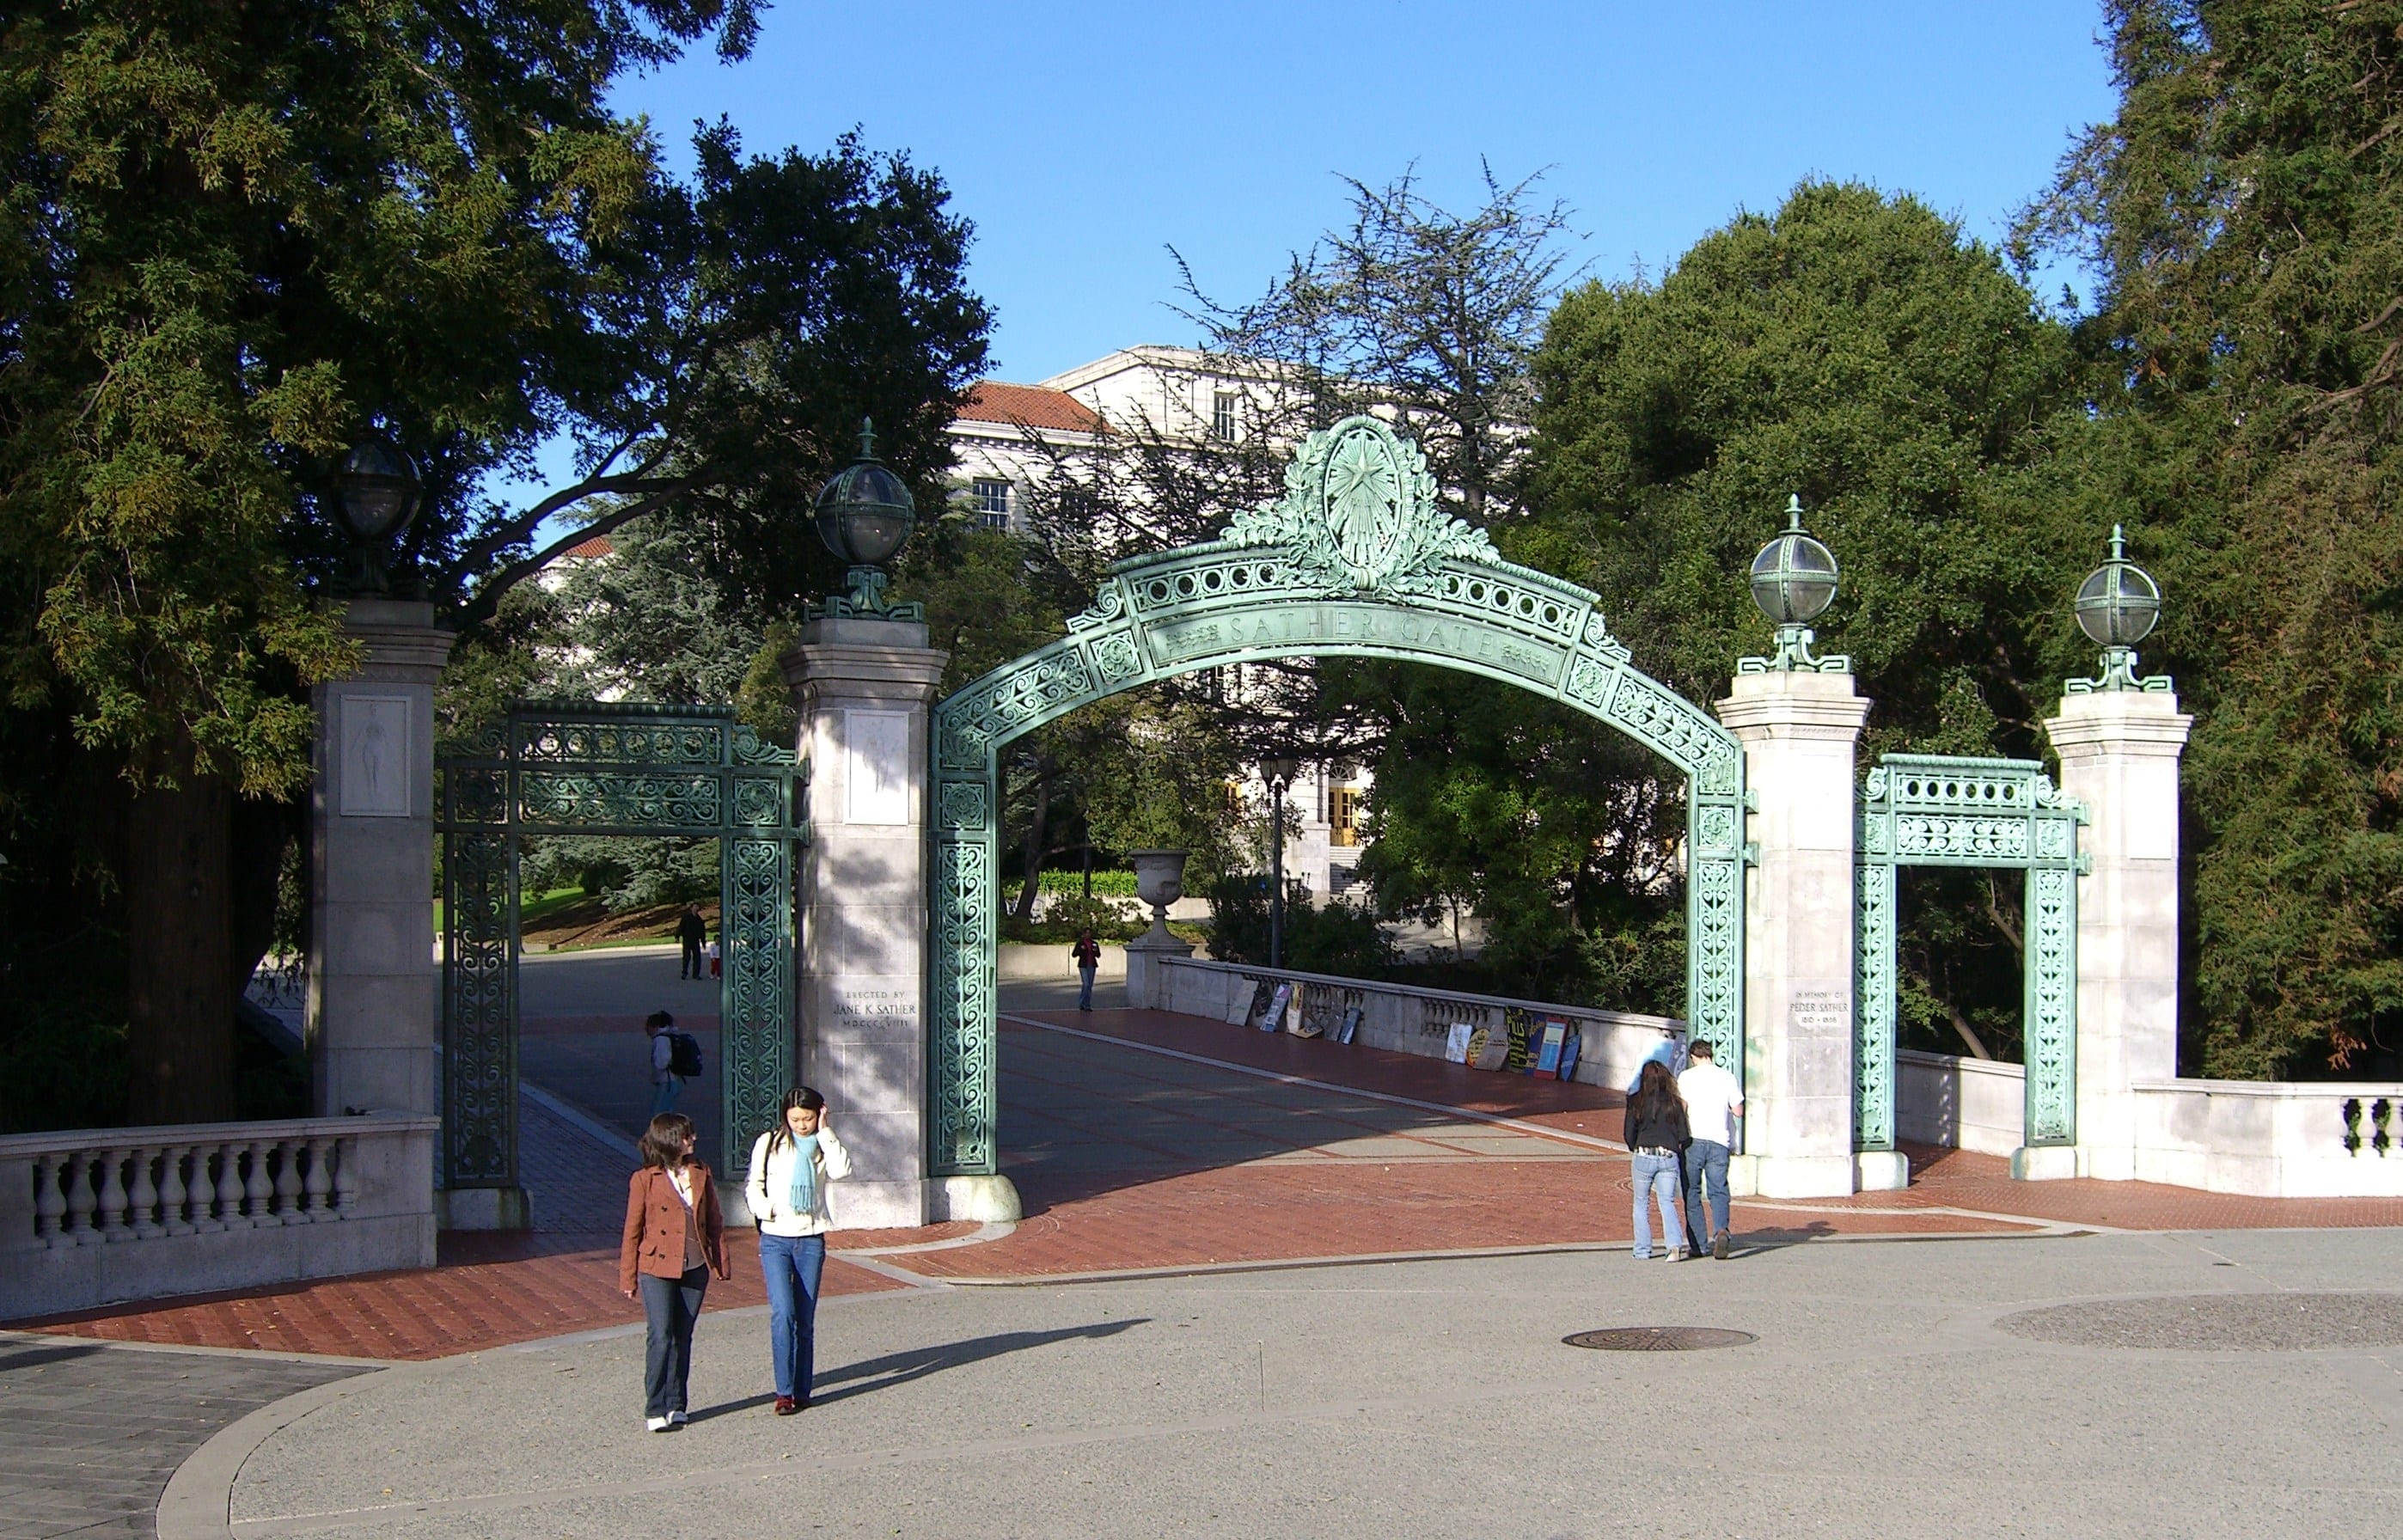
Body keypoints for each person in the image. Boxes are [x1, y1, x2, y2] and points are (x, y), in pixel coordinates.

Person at [744, 1086, 853, 1415]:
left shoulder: (822, 1143)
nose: (801, 1125)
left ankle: (803, 1389)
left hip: (810, 1237)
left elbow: (842, 1171)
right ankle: (784, 1391)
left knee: (804, 1317)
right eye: (795, 1119)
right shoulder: (770, 1142)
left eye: (807, 1118)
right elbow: (754, 1184)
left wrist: (826, 1130)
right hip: (776, 1236)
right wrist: (766, 1209)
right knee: (783, 1312)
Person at [618, 1111, 729, 1431]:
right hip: (657, 1266)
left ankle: (677, 1403)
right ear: (669, 1141)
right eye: (685, 1136)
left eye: (691, 1135)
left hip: (694, 1265)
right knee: (661, 1335)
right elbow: (632, 1230)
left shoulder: (700, 1172)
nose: (692, 1140)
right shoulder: (644, 1179)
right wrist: (628, 1276)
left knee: (683, 1335)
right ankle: (655, 1407)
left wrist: (720, 1261)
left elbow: (715, 1220)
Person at [1677, 1038, 1744, 1261]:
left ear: (1693, 1057)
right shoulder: (1727, 1077)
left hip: (1693, 1140)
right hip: (1719, 1141)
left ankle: (1697, 1243)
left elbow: (1682, 1107)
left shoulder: (1686, 1077)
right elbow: (1738, 1110)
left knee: (1692, 1191)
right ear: (1710, 1055)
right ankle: (1721, 1230)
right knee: (1718, 1190)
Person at [1623, 1058, 1691, 1262]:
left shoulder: (1636, 1100)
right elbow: (1684, 1134)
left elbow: (1628, 1133)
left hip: (1644, 1153)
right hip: (1668, 1155)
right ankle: (1674, 1245)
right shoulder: (1674, 1102)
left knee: (1641, 1202)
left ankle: (1642, 1249)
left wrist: (1634, 1146)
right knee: (1667, 1201)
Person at [646, 1011, 681, 1117]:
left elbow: (661, 1063)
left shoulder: (660, 1039)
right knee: (667, 1112)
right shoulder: (670, 1036)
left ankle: (660, 1134)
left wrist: (655, 1075)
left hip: (667, 1082)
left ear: (655, 1026)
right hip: (674, 1080)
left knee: (658, 1115)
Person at [1072, 927, 1101, 1011]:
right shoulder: (1080, 943)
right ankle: (1082, 1003)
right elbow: (1074, 954)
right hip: (1083, 965)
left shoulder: (1094, 944)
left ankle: (1087, 1004)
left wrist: (1095, 951)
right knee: (1086, 984)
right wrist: (1081, 951)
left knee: (1090, 986)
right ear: (1083, 934)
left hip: (1092, 965)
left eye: (1089, 933)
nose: (1088, 935)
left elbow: (1098, 954)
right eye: (1086, 933)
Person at [677, 904, 706, 981]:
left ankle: (696, 974)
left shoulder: (699, 920)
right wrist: (677, 936)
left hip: (695, 940)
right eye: (695, 907)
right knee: (686, 957)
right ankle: (684, 973)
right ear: (691, 908)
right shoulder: (686, 918)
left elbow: (702, 932)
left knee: (697, 957)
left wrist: (703, 942)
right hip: (687, 939)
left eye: (697, 906)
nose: (697, 908)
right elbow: (681, 927)